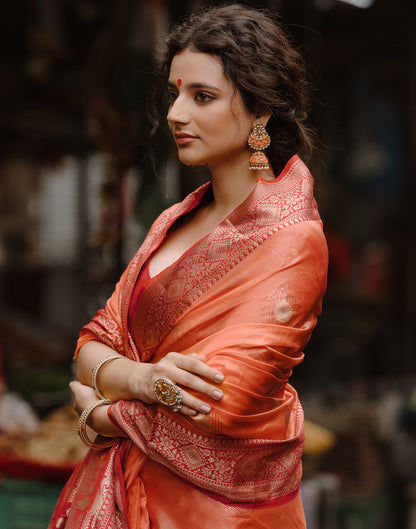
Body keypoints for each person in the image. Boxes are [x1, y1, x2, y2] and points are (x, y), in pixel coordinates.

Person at [49, 4, 328, 529]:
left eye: (202, 97)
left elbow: (218, 401)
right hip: (131, 495)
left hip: (217, 514)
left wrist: (101, 409)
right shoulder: (174, 219)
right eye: (175, 93)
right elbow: (92, 340)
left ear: (261, 112)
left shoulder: (292, 238)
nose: (177, 113)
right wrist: (145, 378)